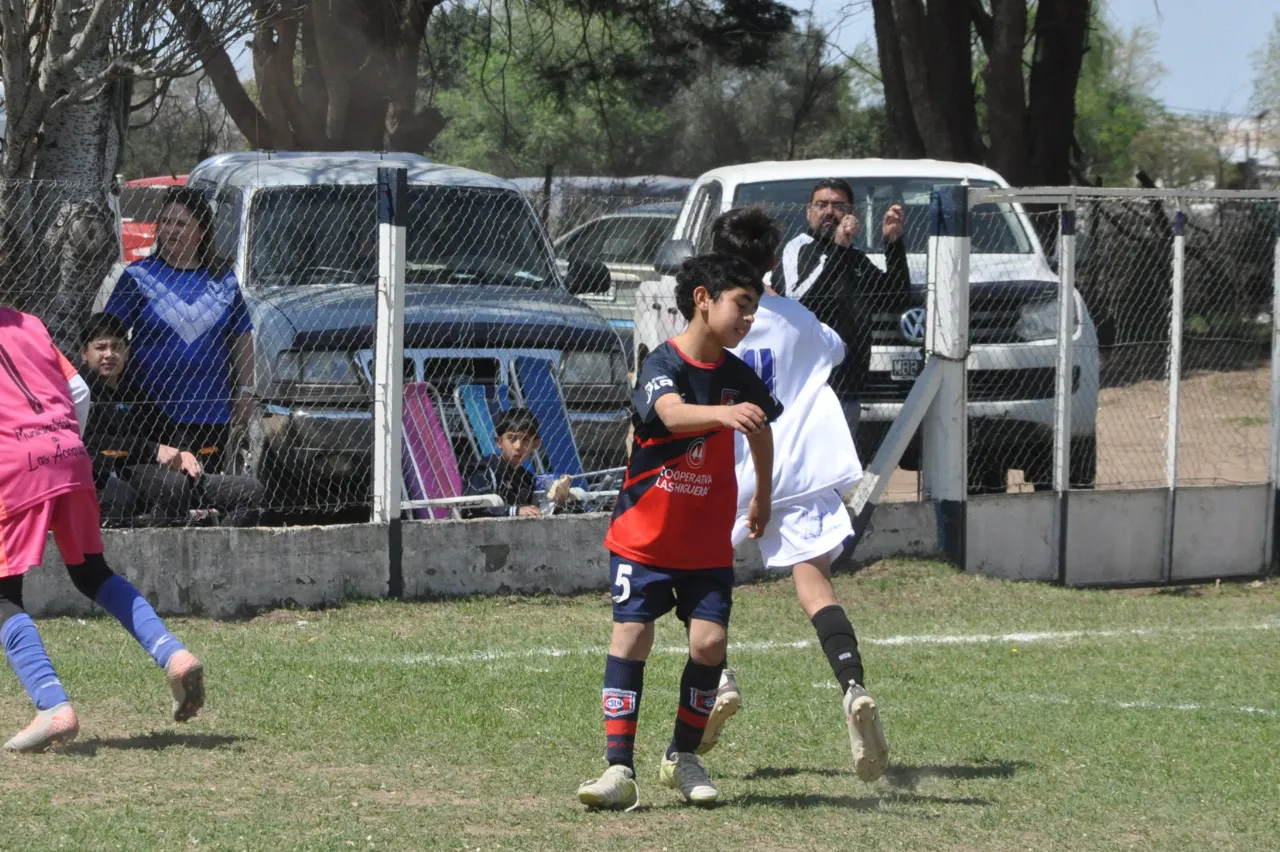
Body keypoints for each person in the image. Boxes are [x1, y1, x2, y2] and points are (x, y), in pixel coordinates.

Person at [577, 253, 782, 810]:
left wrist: (761, 491)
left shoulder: (738, 376)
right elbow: (670, 414)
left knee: (710, 644)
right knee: (632, 638)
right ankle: (619, 770)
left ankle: (682, 757)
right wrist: (723, 415)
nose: (747, 319)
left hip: (705, 543)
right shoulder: (662, 363)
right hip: (644, 538)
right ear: (703, 300)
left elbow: (760, 428)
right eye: (741, 305)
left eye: (754, 308)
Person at [699, 206, 889, 782]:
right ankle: (853, 687)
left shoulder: (709, 319)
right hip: (797, 473)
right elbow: (834, 350)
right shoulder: (798, 319)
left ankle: (719, 680)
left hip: (731, 473)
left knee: (703, 580)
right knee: (815, 583)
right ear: (774, 259)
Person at [0, 306, 205, 753]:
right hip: (69, 452)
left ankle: (53, 705)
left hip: (13, 467)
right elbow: (77, 388)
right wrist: (58, 442)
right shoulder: (29, 323)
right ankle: (173, 654)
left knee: (2, 594)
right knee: (91, 571)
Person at [102, 186, 254, 471]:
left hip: (211, 410)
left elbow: (242, 335)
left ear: (201, 230)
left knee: (205, 490)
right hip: (151, 410)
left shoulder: (224, 281)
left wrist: (246, 390)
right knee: (166, 490)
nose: (172, 230)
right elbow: (109, 333)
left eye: (181, 223)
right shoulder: (139, 276)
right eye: (166, 222)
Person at [78, 313, 264, 526]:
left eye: (117, 347)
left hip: (159, 475)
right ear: (85, 353)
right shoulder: (79, 394)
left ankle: (220, 551)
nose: (109, 354)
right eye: (101, 347)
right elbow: (89, 443)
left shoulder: (133, 390)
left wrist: (182, 450)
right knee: (172, 485)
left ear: (127, 352)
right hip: (112, 476)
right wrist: (151, 449)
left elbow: (164, 426)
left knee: (249, 491)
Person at [773, 179, 908, 435]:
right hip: (805, 386)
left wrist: (892, 243)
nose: (829, 212)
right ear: (808, 211)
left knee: (843, 473)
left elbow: (896, 297)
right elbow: (800, 302)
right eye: (821, 205)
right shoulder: (797, 249)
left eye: (838, 206)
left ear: (850, 214)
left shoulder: (853, 257)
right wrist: (838, 247)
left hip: (848, 386)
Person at [461, 407, 570, 518]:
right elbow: (471, 508)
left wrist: (557, 501)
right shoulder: (485, 471)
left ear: (535, 444)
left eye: (526, 440)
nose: (518, 446)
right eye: (512, 438)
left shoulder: (527, 478)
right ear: (499, 442)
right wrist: (514, 511)